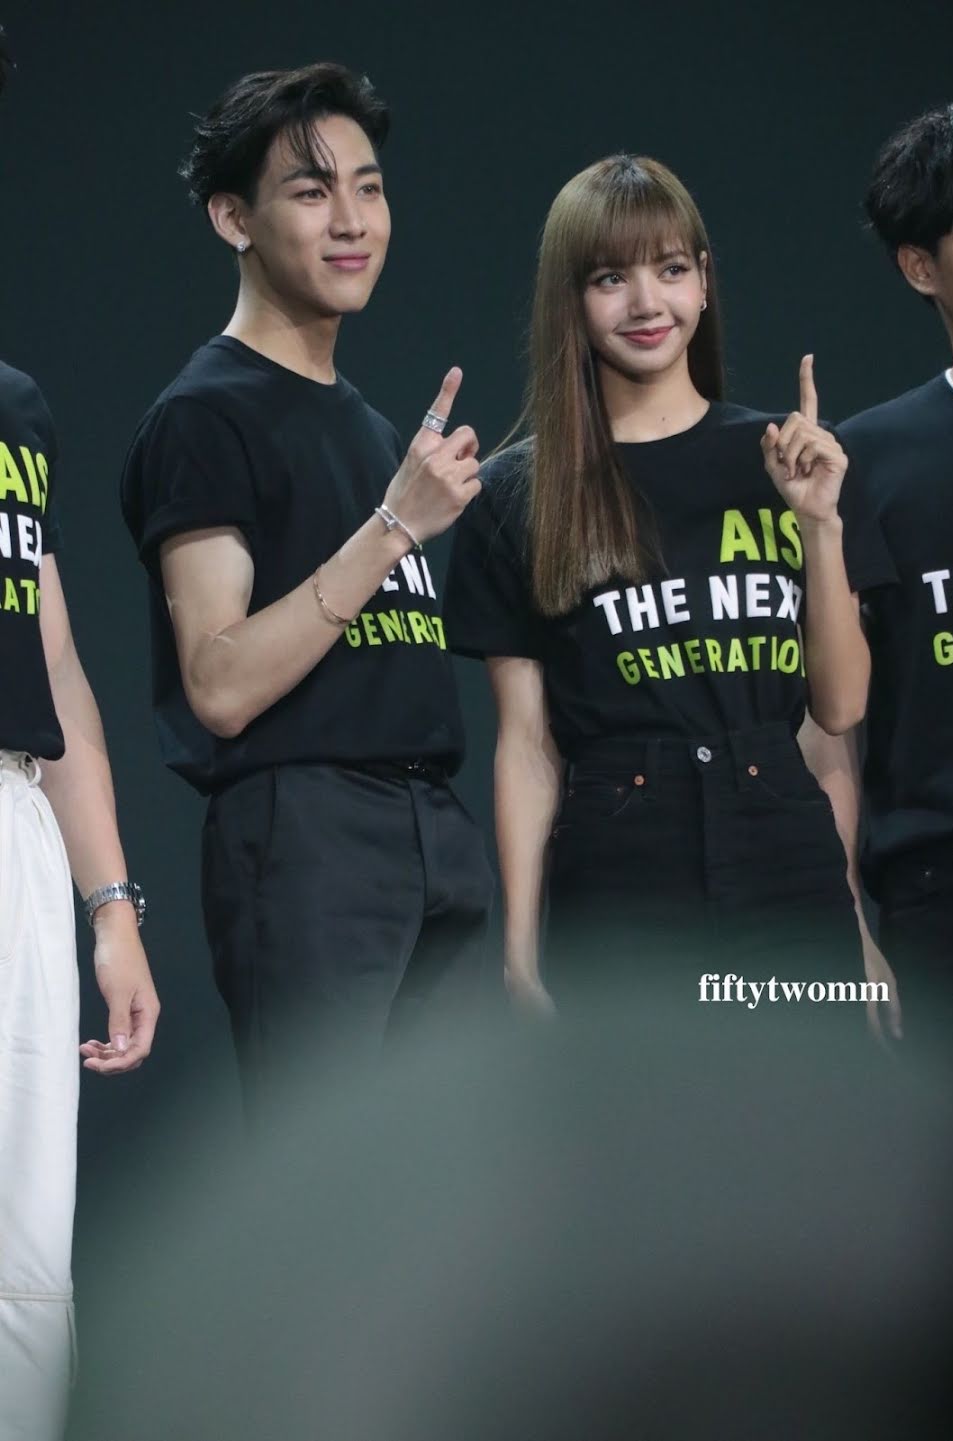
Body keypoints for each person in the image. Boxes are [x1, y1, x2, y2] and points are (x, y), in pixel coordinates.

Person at [444, 154, 895, 1022]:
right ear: (570, 298)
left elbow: (838, 710)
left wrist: (820, 524)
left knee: (799, 1110)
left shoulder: (792, 460)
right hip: (619, 867)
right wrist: (521, 953)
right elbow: (527, 746)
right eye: (610, 278)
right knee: (642, 1112)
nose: (648, 303)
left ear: (705, 280)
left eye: (672, 268)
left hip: (788, 865)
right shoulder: (516, 495)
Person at [121, 63, 492, 1116]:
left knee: (443, 1180)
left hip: (435, 830)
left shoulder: (371, 427)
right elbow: (220, 682)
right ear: (232, 217)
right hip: (311, 837)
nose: (352, 221)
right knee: (332, 1182)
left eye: (369, 188)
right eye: (312, 190)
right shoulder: (205, 415)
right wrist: (393, 526)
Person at [0, 25, 160, 1440]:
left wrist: (110, 907)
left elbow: (50, 668)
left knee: (25, 1264)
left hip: (14, 831)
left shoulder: (13, 407)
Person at [836, 103, 953, 1059]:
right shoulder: (866, 461)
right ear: (921, 267)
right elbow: (829, 722)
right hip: (938, 899)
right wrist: (853, 925)